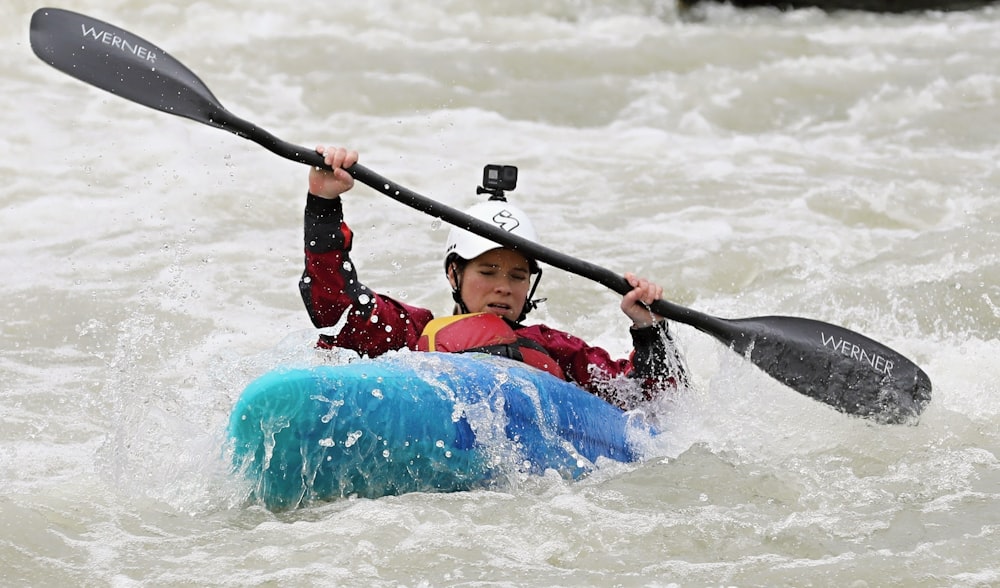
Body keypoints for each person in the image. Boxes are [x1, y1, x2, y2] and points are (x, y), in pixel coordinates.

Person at [300, 146, 687, 410]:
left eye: (518, 275)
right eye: (487, 271)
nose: (504, 285)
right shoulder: (412, 334)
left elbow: (650, 402)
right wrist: (323, 203)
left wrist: (650, 329)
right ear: (454, 273)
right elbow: (336, 307)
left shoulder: (556, 350)